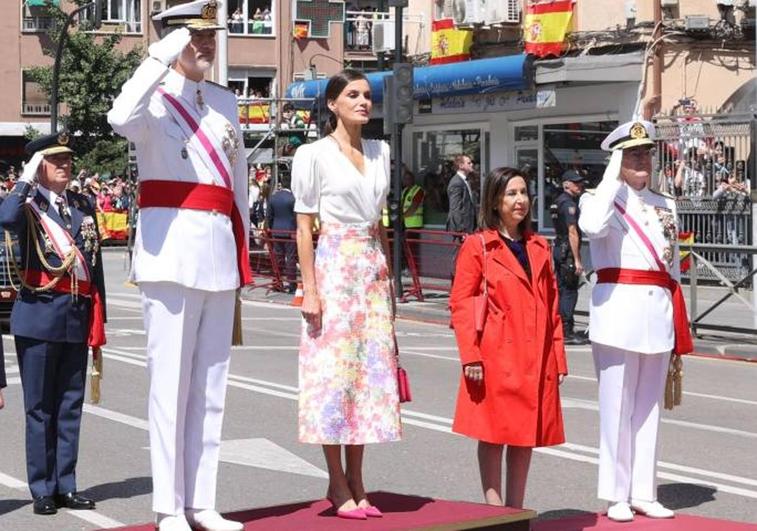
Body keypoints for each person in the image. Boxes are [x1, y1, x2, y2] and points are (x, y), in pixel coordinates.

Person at [107, 1, 251, 529]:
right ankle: (168, 505)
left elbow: (237, 185)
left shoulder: (224, 102)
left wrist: (243, 248)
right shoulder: (153, 101)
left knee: (211, 388)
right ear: (172, 40)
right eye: (196, 36)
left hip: (216, 254)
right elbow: (118, 117)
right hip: (169, 255)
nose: (207, 45)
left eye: (212, 36)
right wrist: (162, 53)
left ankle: (202, 502)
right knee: (168, 386)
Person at [292, 69, 401, 520]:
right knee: (333, 377)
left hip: (371, 271)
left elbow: (379, 224)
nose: (363, 102)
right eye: (353, 95)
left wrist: (389, 278)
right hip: (334, 267)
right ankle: (337, 482)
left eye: (368, 95)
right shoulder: (312, 154)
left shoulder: (381, 152)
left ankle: (358, 477)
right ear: (332, 103)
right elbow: (303, 227)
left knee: (369, 379)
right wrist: (310, 290)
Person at [579, 120, 693, 522]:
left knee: (649, 409)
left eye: (646, 153)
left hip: (656, 315)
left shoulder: (665, 203)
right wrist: (611, 176)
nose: (642, 160)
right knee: (617, 407)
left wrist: (679, 320)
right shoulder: (601, 199)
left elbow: (670, 267)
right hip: (618, 315)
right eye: (632, 154)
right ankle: (615, 494)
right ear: (617, 160)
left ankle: (644, 490)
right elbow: (591, 227)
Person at [0, 131, 106, 516]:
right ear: (37, 166)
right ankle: (42, 487)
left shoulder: (81, 204)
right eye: (54, 159)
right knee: (40, 408)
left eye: (67, 159)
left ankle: (67, 484)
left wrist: (99, 317)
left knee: (70, 406)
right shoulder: (24, 205)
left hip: (75, 316)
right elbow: (5, 219)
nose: (64, 165)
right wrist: (25, 179)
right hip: (39, 317)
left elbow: (94, 269)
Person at [449, 167, 567, 508]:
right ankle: (494, 508)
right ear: (495, 200)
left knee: (524, 436)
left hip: (535, 356)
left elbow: (553, 307)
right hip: (496, 356)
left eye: (523, 193)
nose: (520, 200)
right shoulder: (479, 246)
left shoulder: (539, 246)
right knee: (493, 433)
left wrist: (558, 358)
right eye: (511, 193)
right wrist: (470, 355)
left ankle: (516, 510)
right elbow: (461, 303)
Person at [551, 170, 588, 345]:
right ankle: (566, 330)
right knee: (569, 291)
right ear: (566, 184)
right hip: (567, 250)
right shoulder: (568, 204)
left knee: (561, 288)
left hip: (559, 247)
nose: (579, 185)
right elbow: (572, 232)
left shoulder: (557, 201)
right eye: (575, 183)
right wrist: (578, 259)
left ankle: (559, 327)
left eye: (579, 182)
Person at [267, 174, 298, 293]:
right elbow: (296, 217)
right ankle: (292, 284)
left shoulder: (273, 197)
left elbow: (269, 216)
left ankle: (277, 282)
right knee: (291, 258)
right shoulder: (293, 198)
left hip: (276, 231)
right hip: (290, 231)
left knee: (278, 258)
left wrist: (271, 228)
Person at [446, 154, 477, 236]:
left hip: (469, 227)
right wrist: (461, 230)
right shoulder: (456, 182)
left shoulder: (465, 180)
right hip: (462, 229)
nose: (472, 164)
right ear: (461, 166)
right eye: (469, 163)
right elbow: (455, 208)